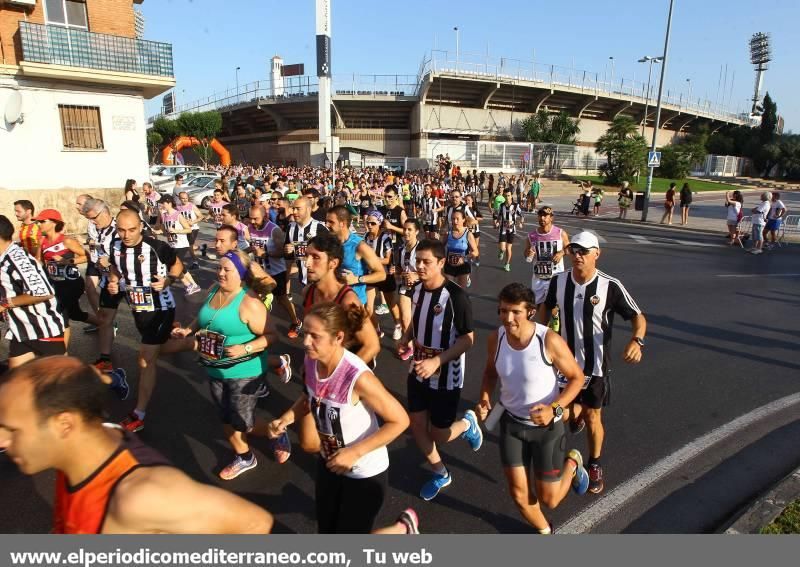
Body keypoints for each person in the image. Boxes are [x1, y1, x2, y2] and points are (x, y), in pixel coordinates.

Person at [0, 357, 274, 534]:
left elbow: (253, 524)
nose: (2, 440)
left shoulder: (139, 497)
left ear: (64, 424)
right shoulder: (79, 450)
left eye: (11, 430)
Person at [268, 302, 409, 533]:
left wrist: (354, 452)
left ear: (338, 337)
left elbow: (400, 420)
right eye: (305, 334)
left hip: (365, 471)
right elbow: (309, 398)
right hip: (330, 462)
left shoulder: (357, 377)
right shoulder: (312, 361)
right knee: (327, 530)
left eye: (315, 336)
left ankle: (401, 530)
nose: (305, 342)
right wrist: (286, 418)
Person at [538, 231, 646, 494]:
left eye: (584, 251)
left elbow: (637, 316)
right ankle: (570, 427)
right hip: (563, 365)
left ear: (596, 254)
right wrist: (537, 338)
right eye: (574, 250)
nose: (577, 255)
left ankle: (594, 463)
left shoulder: (610, 286)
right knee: (562, 413)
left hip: (595, 366)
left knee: (593, 415)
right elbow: (545, 308)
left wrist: (637, 341)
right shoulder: (558, 282)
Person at [477, 284, 590, 533]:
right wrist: (484, 397)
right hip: (511, 426)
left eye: (515, 312)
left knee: (550, 499)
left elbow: (576, 378)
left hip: (547, 429)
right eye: (503, 311)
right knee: (519, 494)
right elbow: (489, 373)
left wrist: (555, 409)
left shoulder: (547, 340)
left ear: (530, 311)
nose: (508, 318)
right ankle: (545, 532)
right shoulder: (495, 339)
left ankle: (572, 463)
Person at [170, 251, 276, 479]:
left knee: (241, 422)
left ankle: (266, 439)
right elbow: (202, 318)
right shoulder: (215, 290)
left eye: (227, 270)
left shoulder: (250, 303)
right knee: (226, 416)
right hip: (215, 367)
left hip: (244, 371)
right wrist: (188, 330)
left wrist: (245, 348)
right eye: (220, 268)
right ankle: (257, 446)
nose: (220, 273)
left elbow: (271, 336)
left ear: (241, 274)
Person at [396, 239, 482, 501]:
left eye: (426, 262)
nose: (420, 266)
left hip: (446, 374)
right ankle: (441, 472)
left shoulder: (456, 296)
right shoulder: (418, 290)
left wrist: (437, 361)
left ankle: (467, 423)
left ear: (441, 263)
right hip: (418, 367)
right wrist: (407, 338)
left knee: (439, 435)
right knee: (417, 423)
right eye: (417, 261)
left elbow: (468, 338)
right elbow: (416, 322)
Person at [106, 209, 186, 433]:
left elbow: (178, 267)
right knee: (160, 349)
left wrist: (168, 281)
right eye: (121, 230)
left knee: (145, 359)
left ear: (140, 226)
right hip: (137, 308)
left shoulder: (157, 247)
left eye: (131, 229)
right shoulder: (115, 246)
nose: (126, 235)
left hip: (161, 308)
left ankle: (138, 414)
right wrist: (114, 281)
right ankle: (193, 342)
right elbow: (114, 268)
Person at [0, 215, 66, 369]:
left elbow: (43, 292)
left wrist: (5, 303)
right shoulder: (5, 258)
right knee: (17, 382)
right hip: (22, 329)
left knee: (64, 381)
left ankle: (111, 381)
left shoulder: (17, 259)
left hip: (42, 329)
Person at [36, 208, 99, 344]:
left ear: (54, 223)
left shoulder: (66, 241)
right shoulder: (42, 241)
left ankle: (61, 352)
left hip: (72, 284)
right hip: (56, 284)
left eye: (42, 221)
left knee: (59, 312)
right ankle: (105, 324)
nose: (39, 224)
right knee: (75, 314)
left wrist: (68, 261)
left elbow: (87, 256)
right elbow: (39, 262)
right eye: (38, 222)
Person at [248, 205, 300, 330]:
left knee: (282, 300)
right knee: (253, 297)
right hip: (259, 272)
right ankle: (257, 324)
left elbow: (285, 252)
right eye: (250, 218)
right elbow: (252, 247)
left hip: (277, 272)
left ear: (265, 217)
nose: (252, 221)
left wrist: (266, 254)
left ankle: (295, 322)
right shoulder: (250, 228)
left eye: (256, 219)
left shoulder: (274, 230)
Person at [325, 205, 386, 306]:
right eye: (326, 221)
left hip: (353, 303)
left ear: (342, 223)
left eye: (331, 222)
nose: (326, 224)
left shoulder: (359, 246)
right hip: (333, 300)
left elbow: (382, 274)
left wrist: (357, 279)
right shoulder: (330, 242)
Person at [285, 197, 329, 337]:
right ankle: (311, 333)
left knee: (320, 310)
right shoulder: (290, 227)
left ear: (309, 209)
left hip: (320, 279)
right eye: (293, 208)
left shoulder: (320, 228)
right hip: (303, 278)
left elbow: (330, 253)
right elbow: (288, 254)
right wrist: (287, 250)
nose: (294, 211)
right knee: (309, 308)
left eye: (298, 208)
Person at [363, 210, 403, 340]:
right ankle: (376, 329)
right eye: (368, 222)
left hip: (385, 275)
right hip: (370, 275)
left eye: (373, 223)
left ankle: (398, 325)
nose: (369, 225)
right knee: (368, 307)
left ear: (379, 224)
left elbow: (387, 259)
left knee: (391, 304)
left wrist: (371, 260)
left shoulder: (385, 238)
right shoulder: (365, 237)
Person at [155, 195, 202, 295]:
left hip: (182, 245)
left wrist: (175, 230)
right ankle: (194, 285)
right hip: (172, 245)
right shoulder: (164, 216)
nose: (161, 205)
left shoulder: (178, 215)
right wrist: (155, 232)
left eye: (162, 203)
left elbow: (188, 229)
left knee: (174, 266)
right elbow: (163, 230)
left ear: (169, 203)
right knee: (181, 267)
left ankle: (189, 285)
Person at [524, 206, 570, 308]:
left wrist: (561, 253)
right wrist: (528, 252)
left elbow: (569, 249)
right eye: (540, 215)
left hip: (555, 277)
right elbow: (526, 253)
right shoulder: (531, 236)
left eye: (545, 215)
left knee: (555, 308)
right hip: (538, 278)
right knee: (539, 307)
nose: (542, 218)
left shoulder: (560, 233)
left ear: (551, 218)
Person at [395, 219, 421, 361]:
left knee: (420, 319)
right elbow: (399, 269)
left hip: (421, 287)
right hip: (404, 287)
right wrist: (396, 271)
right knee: (405, 319)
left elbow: (431, 269)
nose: (406, 232)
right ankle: (410, 346)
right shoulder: (400, 249)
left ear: (416, 231)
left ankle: (422, 344)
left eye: (409, 229)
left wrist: (416, 275)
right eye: (404, 229)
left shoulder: (422, 248)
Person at [444, 210, 478, 289]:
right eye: (453, 219)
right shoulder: (448, 234)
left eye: (457, 219)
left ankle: (467, 278)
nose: (455, 221)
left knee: (460, 291)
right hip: (449, 264)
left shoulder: (468, 234)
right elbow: (440, 248)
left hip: (463, 266)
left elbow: (476, 252)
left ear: (463, 220)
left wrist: (464, 258)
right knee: (448, 289)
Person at [495, 187, 524, 272]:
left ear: (511, 196)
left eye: (508, 195)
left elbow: (521, 216)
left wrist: (521, 222)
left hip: (512, 230)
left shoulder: (516, 206)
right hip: (503, 229)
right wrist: (497, 222)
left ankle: (507, 264)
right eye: (505, 196)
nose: (507, 197)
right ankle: (501, 251)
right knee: (503, 248)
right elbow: (499, 216)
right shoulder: (502, 205)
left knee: (508, 248)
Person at [177, 191, 206, 269]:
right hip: (184, 229)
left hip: (193, 229)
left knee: (189, 246)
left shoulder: (192, 206)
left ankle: (195, 263)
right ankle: (202, 247)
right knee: (187, 246)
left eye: (186, 198)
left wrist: (192, 222)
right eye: (183, 198)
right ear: (179, 199)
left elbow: (201, 216)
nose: (185, 200)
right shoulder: (178, 207)